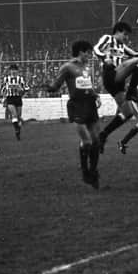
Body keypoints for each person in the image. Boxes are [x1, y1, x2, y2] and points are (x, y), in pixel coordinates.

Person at [93, 21, 138, 153]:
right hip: (111, 74)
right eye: (125, 34)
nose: (126, 38)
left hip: (118, 82)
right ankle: (132, 91)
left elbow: (136, 54)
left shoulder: (122, 46)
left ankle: (103, 135)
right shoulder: (108, 38)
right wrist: (105, 58)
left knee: (127, 113)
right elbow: (96, 48)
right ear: (118, 31)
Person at [45, 40, 102, 188]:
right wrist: (49, 87)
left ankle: (93, 171)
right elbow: (57, 85)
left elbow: (87, 84)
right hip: (77, 105)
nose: (89, 55)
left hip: (90, 104)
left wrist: (95, 95)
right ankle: (85, 172)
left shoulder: (86, 67)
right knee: (87, 141)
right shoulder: (67, 67)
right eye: (88, 52)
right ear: (80, 52)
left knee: (96, 141)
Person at [0, 64, 30, 140]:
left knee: (19, 117)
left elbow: (27, 88)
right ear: (10, 71)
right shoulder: (6, 79)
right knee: (14, 114)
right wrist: (3, 98)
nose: (13, 71)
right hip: (10, 98)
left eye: (15, 70)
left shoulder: (20, 79)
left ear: (17, 71)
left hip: (18, 98)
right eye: (12, 70)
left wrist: (21, 89)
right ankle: (16, 129)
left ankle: (18, 131)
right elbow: (3, 89)